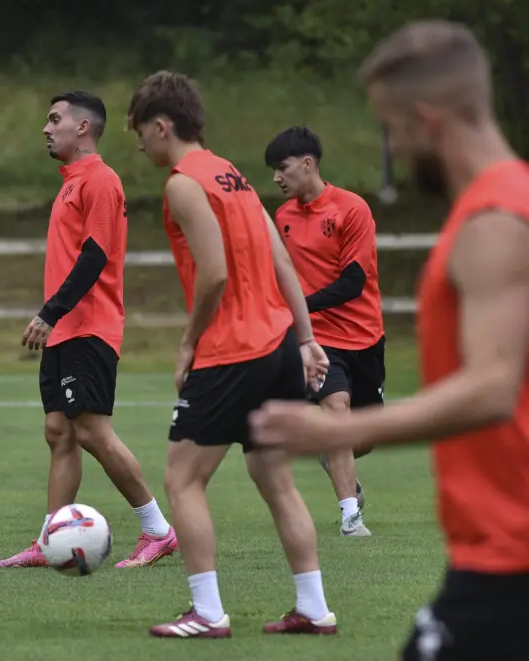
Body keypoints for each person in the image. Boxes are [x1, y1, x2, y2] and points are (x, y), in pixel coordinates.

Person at [251, 20, 529, 661]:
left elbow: (493, 389)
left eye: (394, 131)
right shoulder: (502, 202)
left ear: (428, 120)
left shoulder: (493, 221)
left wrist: (332, 433)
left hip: (511, 554)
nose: (395, 150)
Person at [126, 71, 337, 638]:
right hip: (275, 347)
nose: (139, 143)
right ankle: (314, 608)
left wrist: (189, 342)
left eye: (141, 131)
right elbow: (283, 263)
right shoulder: (236, 177)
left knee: (181, 480)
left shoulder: (182, 183)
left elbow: (214, 274)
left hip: (232, 350)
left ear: (162, 126)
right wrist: (306, 338)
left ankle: (207, 613)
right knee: (275, 478)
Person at [0, 91, 177, 570]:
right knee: (59, 432)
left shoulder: (100, 180)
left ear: (83, 128)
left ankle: (158, 530)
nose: (46, 128)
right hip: (64, 331)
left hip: (88, 326)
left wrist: (51, 312)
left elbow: (95, 256)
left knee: (92, 430)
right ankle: (50, 539)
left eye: (54, 119)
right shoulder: (70, 182)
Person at [264, 125, 381, 537]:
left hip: (366, 336)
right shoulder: (282, 217)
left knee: (360, 436)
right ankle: (351, 516)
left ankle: (336, 457)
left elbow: (353, 283)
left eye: (282, 168)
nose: (276, 178)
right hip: (317, 338)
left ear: (308, 163)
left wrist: (298, 304)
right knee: (336, 408)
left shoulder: (352, 209)